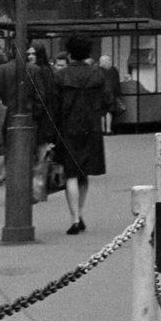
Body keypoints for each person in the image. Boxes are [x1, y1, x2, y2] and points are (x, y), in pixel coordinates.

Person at [54, 35, 113, 234]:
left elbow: (54, 105)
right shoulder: (97, 74)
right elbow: (107, 100)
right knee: (84, 173)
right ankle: (80, 212)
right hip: (92, 127)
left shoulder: (61, 76)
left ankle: (74, 219)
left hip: (68, 128)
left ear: (69, 54)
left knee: (70, 174)